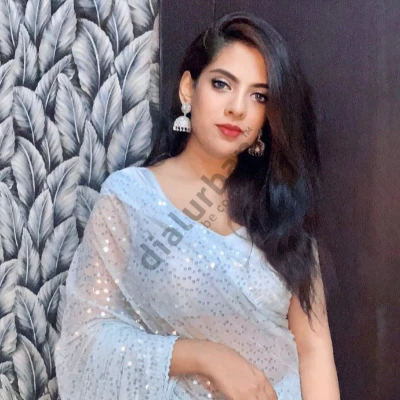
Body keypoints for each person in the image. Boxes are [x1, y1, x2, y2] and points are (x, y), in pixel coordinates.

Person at [55, 11, 340, 400]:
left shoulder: (279, 212)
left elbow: (313, 351)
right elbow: (84, 340)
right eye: (222, 84)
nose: (237, 108)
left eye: (258, 96)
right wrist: (205, 357)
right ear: (189, 89)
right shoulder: (131, 199)